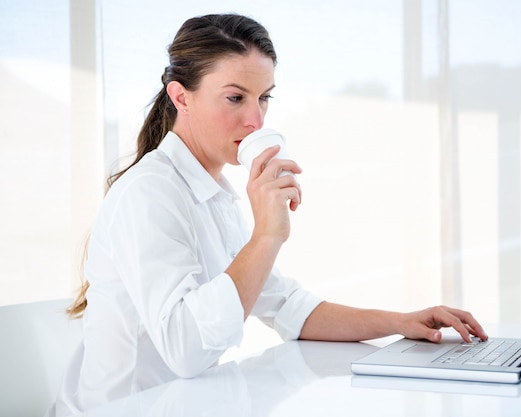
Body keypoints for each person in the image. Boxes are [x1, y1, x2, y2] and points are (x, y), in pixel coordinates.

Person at [53, 13, 488, 414]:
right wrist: (266, 236)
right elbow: (185, 350)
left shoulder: (215, 192)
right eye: (235, 98)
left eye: (264, 98)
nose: (256, 120)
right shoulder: (149, 193)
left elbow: (287, 307)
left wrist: (400, 323)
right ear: (180, 97)